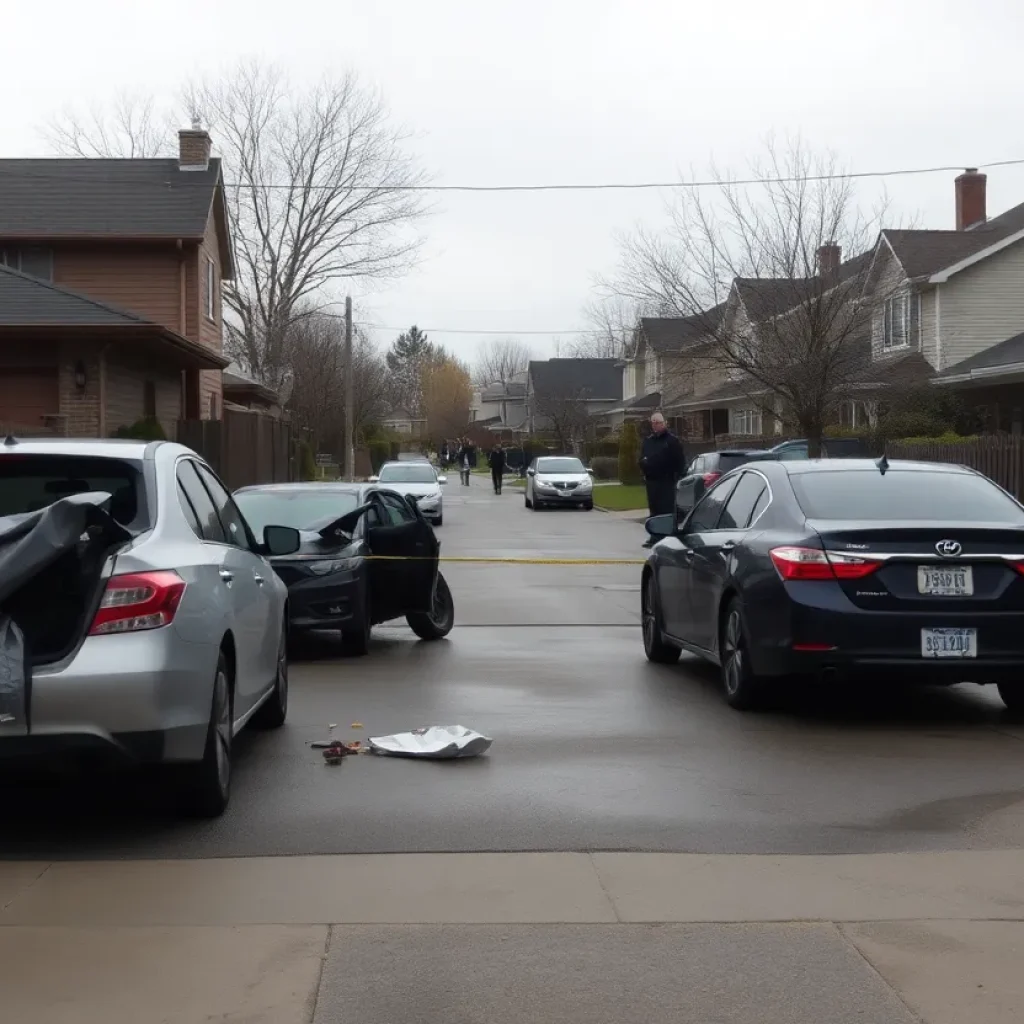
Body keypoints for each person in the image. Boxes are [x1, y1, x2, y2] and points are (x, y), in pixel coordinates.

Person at [639, 412, 686, 548]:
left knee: (666, 510)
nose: (655, 425)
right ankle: (654, 536)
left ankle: (667, 537)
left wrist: (677, 477)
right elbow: (642, 459)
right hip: (652, 481)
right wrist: (645, 465)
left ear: (664, 423)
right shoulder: (648, 441)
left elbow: (679, 462)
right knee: (654, 509)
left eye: (658, 422)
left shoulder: (671, 441)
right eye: (653, 422)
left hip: (667, 481)